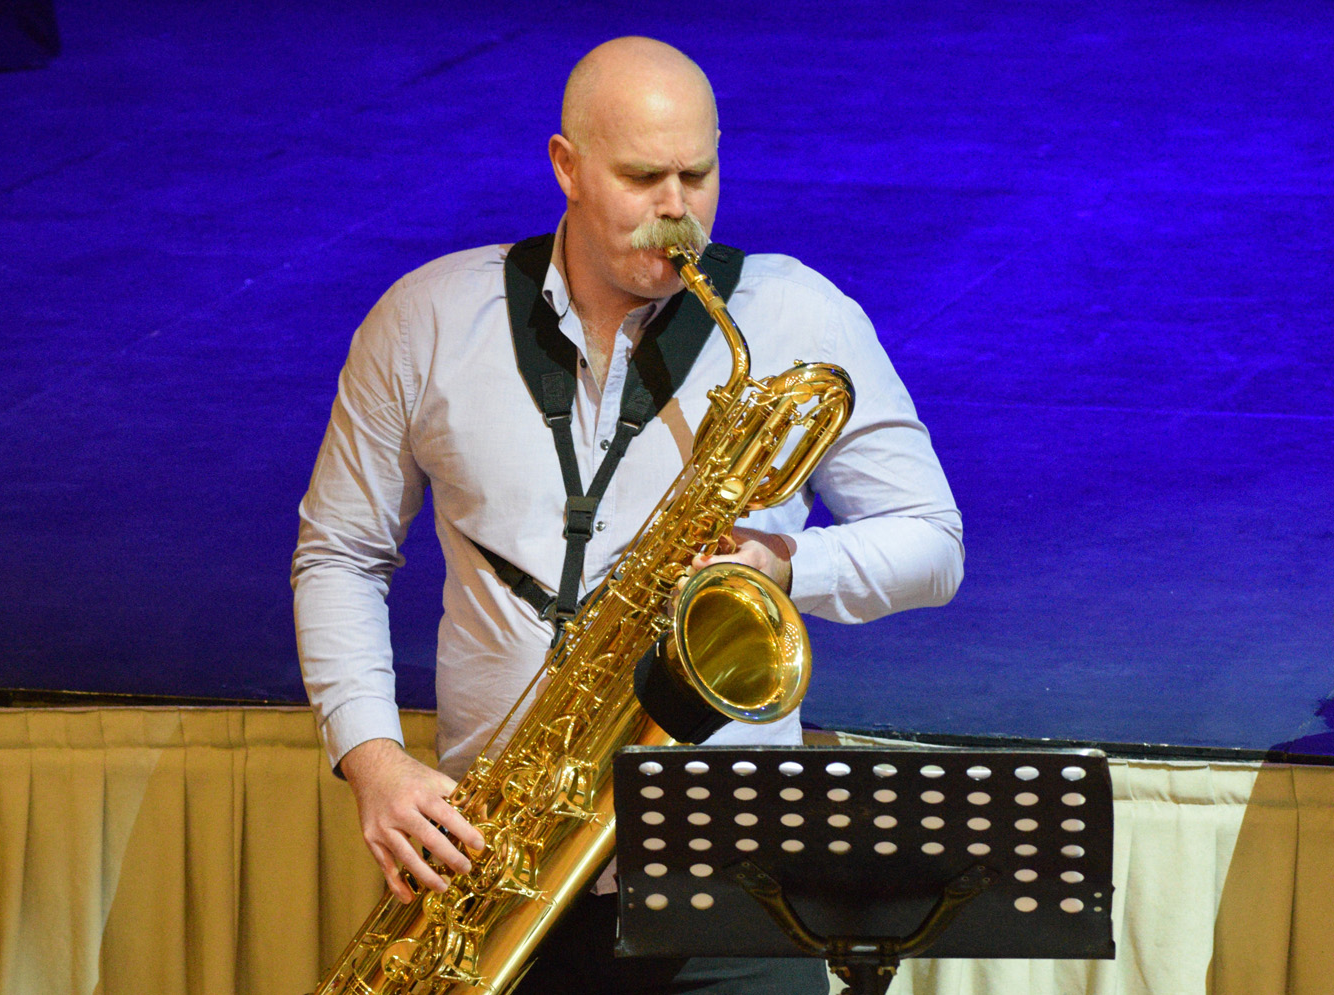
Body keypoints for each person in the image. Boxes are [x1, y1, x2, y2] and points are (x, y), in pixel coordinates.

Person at [293, 35, 963, 994]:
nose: (677, 209)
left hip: (732, 874)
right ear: (566, 167)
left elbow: (933, 544)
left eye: (699, 174)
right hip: (499, 867)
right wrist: (372, 757)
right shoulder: (427, 320)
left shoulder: (797, 315)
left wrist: (783, 566)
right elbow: (339, 555)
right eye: (643, 178)